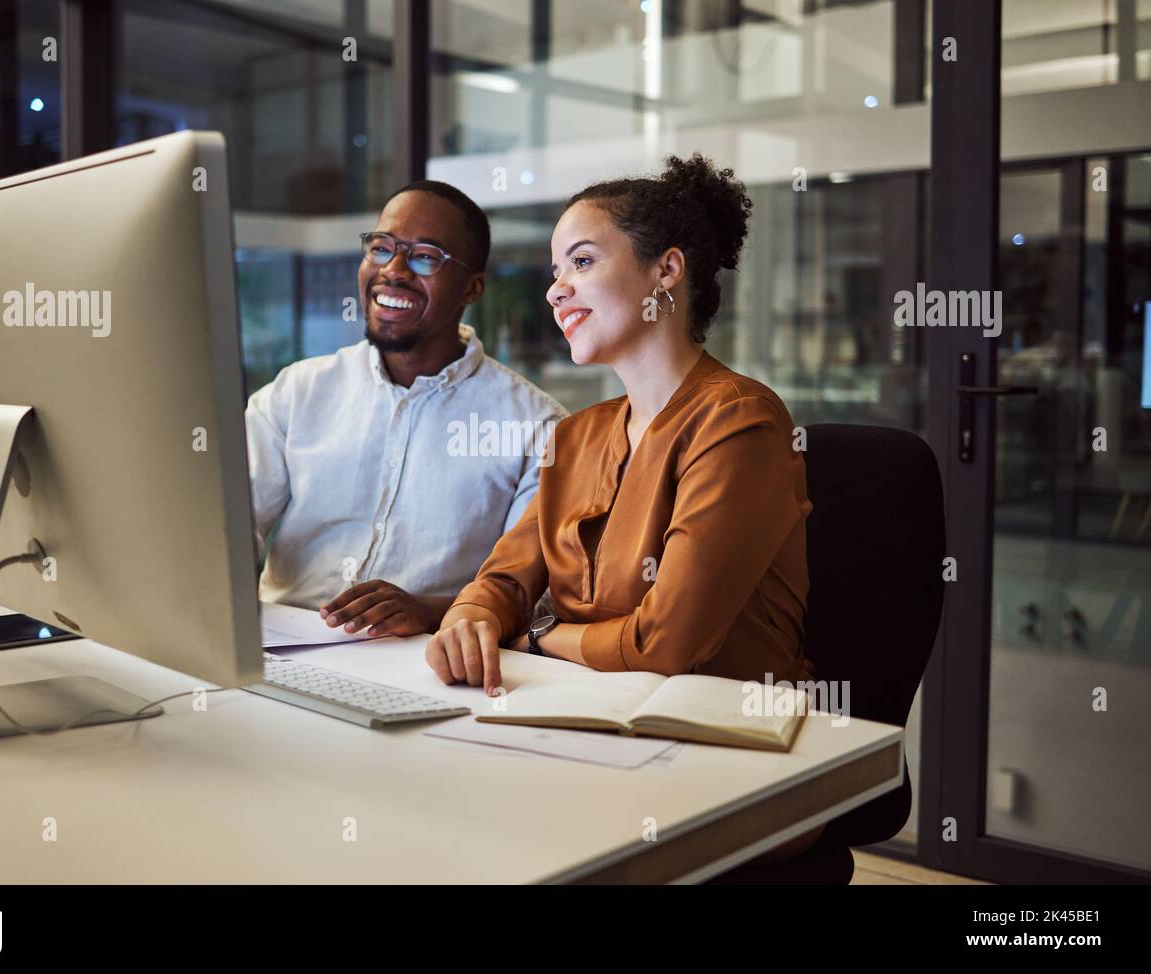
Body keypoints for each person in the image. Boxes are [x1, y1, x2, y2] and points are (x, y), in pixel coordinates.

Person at [425, 153, 816, 694]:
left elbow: (666, 645)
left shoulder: (739, 420)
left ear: (667, 270)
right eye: (556, 271)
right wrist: (472, 621)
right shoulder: (576, 436)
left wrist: (540, 636)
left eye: (581, 262)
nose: (555, 289)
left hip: (717, 734)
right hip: (586, 709)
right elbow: (503, 583)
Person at [246, 180, 567, 637]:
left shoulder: (536, 426)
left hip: (427, 661)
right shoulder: (296, 393)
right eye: (381, 248)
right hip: (279, 647)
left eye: (425, 257)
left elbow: (535, 597)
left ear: (472, 288)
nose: (393, 270)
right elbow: (225, 531)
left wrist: (430, 611)